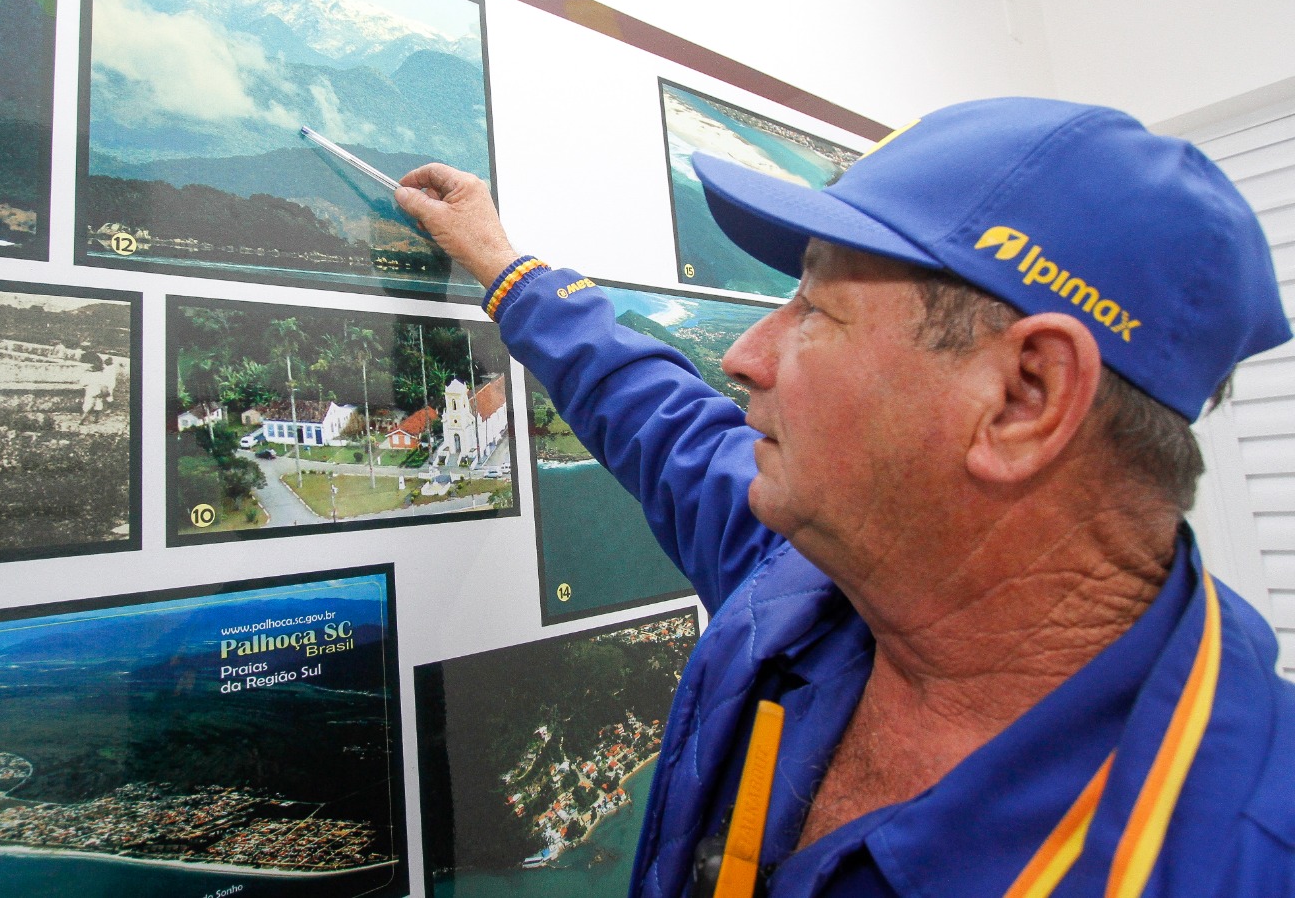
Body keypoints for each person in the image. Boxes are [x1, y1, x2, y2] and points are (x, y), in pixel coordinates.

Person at [393, 98, 1295, 897]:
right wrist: (508, 269)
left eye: (816, 309)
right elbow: (664, 424)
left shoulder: (1244, 857)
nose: (747, 356)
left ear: (1024, 398)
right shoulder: (809, 582)